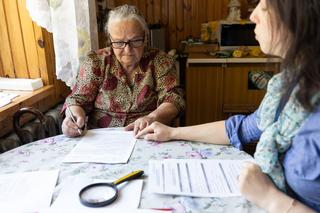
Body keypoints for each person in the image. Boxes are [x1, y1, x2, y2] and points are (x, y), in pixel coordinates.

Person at [136, 0, 320, 212]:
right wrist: (172, 132)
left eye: (265, 5)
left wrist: (270, 199)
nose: (253, 16)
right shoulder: (289, 85)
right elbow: (241, 128)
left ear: (301, 14)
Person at [62, 5, 185, 137]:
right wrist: (74, 117)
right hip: (101, 140)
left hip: (147, 135)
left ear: (145, 37)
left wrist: (152, 118)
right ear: (110, 39)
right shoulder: (95, 62)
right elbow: (77, 99)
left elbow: (173, 99)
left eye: (135, 41)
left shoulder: (160, 61)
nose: (127, 50)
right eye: (119, 42)